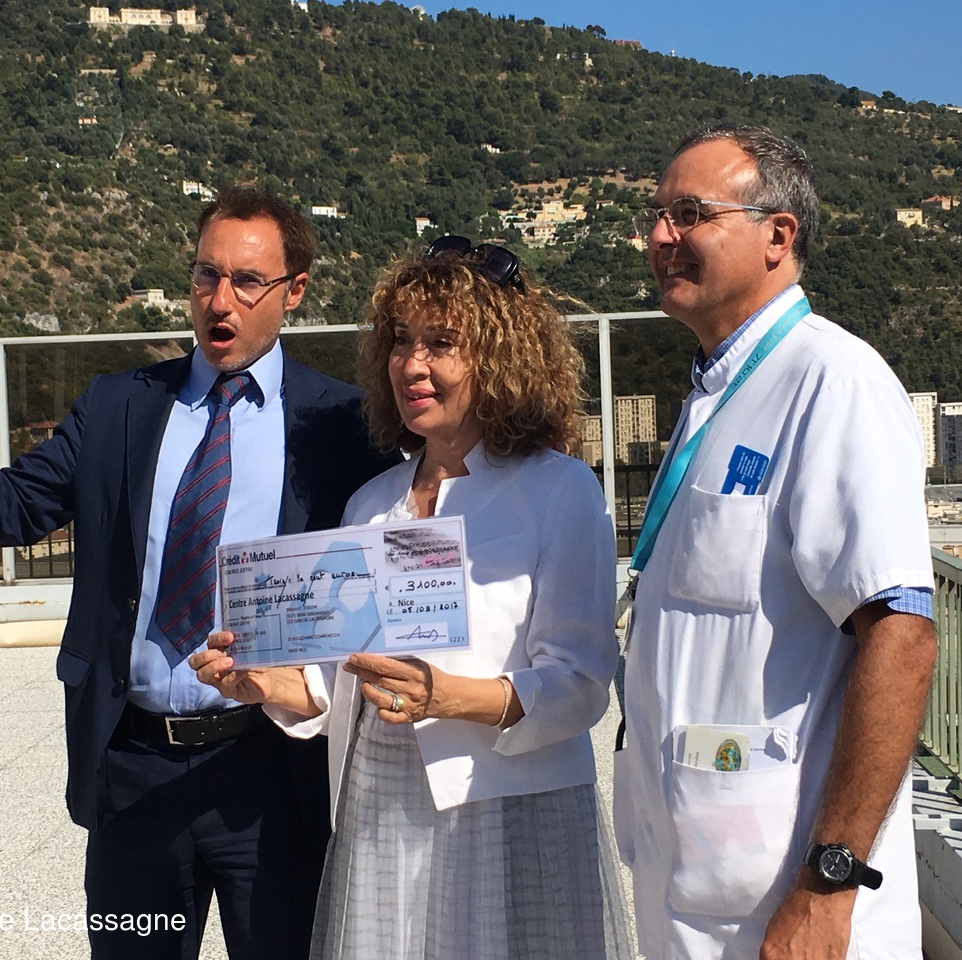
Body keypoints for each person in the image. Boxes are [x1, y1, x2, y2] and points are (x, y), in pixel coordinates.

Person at [0, 187, 398, 960]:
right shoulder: (118, 408)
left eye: (247, 281)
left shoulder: (341, 425)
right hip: (134, 770)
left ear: (295, 291)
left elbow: (386, 565)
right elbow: (9, 508)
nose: (220, 300)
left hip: (275, 773)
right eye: (206, 275)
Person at [192, 236, 633, 960]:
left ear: (499, 358)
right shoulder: (371, 503)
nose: (412, 364)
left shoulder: (559, 491)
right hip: (381, 809)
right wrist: (265, 684)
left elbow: (582, 684)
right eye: (401, 340)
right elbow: (339, 680)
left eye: (441, 343)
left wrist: (450, 697)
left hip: (506, 809)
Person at [613, 124, 938, 960]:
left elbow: (901, 637)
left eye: (691, 213)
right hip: (700, 879)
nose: (661, 236)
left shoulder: (833, 382)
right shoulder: (718, 393)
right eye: (657, 216)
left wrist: (830, 884)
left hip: (790, 904)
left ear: (777, 236)